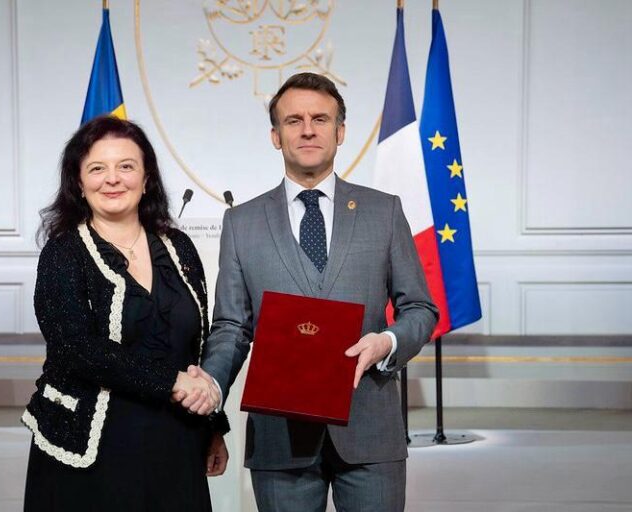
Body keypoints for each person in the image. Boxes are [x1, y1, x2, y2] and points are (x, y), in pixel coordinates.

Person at [186, 73, 439, 511]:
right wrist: (210, 389)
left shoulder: (383, 211)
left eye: (320, 119)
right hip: (279, 437)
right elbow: (231, 327)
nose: (307, 130)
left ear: (340, 132)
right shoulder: (242, 223)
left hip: (370, 430)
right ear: (275, 136)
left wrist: (387, 342)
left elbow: (419, 308)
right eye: (294, 120)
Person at [21, 116, 229, 511]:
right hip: (91, 449)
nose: (112, 179)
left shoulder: (179, 247)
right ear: (78, 183)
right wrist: (172, 381)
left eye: (126, 166)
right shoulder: (63, 253)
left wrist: (212, 426)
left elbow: (195, 346)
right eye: (97, 168)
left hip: (175, 441)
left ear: (146, 178)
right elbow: (76, 349)